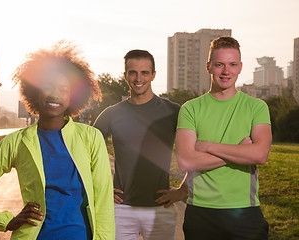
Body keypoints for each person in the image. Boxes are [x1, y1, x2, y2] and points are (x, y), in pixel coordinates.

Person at [0, 41, 115, 240]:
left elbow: (103, 202)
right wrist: (5, 221)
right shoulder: (17, 142)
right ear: (34, 91)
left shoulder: (91, 138)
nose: (54, 94)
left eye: (63, 89)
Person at [176, 36, 271, 239]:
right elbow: (185, 161)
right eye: (219, 65)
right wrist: (239, 150)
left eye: (232, 65)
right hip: (201, 213)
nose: (226, 71)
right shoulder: (190, 109)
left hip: (245, 212)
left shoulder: (257, 107)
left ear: (240, 67)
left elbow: (260, 155)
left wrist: (206, 146)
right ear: (208, 67)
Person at [93, 49, 187, 240]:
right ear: (125, 75)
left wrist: (183, 191)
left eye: (144, 72)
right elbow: (86, 153)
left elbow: (198, 150)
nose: (138, 78)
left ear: (153, 75)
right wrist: (100, 189)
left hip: (161, 209)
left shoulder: (173, 111)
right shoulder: (112, 114)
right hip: (121, 210)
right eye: (133, 72)